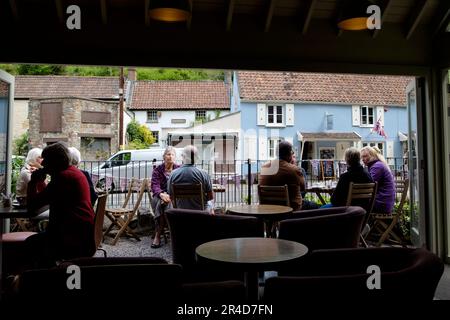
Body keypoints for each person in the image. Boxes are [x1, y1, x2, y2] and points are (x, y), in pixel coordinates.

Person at [26, 142, 96, 267]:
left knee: (31, 244)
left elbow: (32, 207)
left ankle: (42, 279)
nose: (42, 163)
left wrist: (33, 183)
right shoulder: (73, 172)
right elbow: (48, 196)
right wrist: (41, 182)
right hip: (82, 234)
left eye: (45, 159)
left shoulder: (63, 177)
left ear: (55, 161)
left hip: (72, 238)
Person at [259, 141, 305, 211]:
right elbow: (303, 188)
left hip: (268, 209)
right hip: (290, 209)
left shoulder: (264, 168)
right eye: (292, 153)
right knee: (315, 206)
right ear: (290, 153)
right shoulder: (294, 170)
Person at [167, 145, 214, 212]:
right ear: (196, 158)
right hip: (201, 214)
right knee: (210, 204)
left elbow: (171, 196)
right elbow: (210, 197)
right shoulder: (204, 174)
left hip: (180, 213)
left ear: (183, 157)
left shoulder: (173, 174)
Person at [150, 146, 180, 248]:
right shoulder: (157, 170)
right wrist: (162, 194)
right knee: (162, 204)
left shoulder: (179, 169)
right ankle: (174, 235)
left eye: (172, 154)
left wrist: (170, 196)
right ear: (164, 157)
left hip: (173, 197)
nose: (170, 156)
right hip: (159, 196)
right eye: (168, 154)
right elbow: (154, 186)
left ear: (175, 157)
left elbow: (180, 185)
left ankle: (158, 235)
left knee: (165, 205)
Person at [360, 146, 395, 213]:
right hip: (383, 202)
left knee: (354, 205)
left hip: (382, 204)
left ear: (372, 155)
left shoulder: (377, 166)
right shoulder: (377, 165)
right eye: (362, 157)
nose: (363, 159)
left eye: (365, 156)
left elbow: (369, 186)